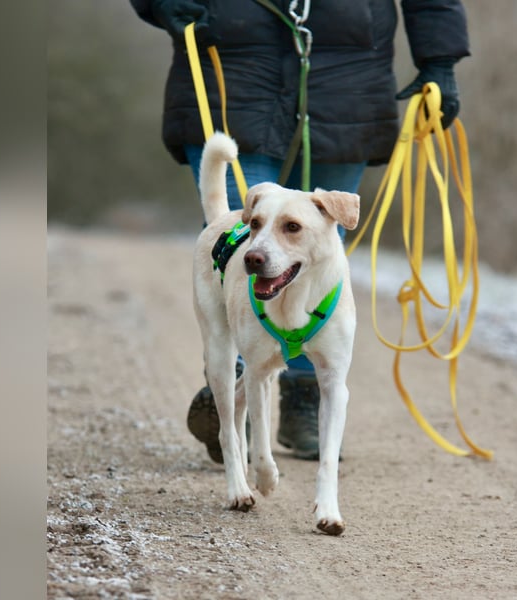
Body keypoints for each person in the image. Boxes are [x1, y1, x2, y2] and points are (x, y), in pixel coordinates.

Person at [129, 0, 470, 461]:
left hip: (349, 72)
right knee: (243, 242)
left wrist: (440, 59)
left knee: (315, 245)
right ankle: (235, 393)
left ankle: (306, 395)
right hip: (232, 60)